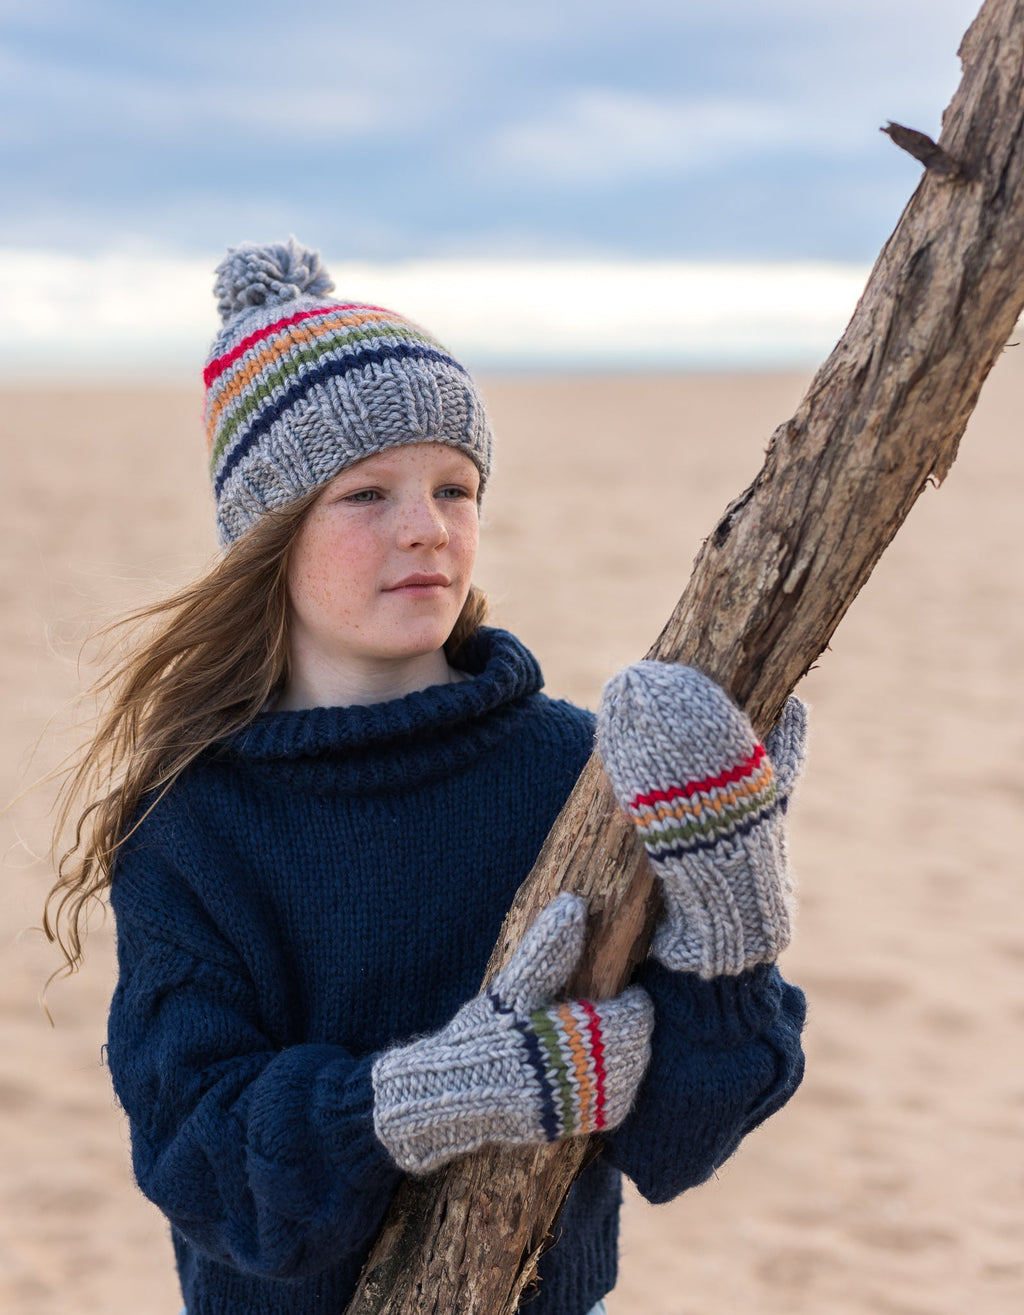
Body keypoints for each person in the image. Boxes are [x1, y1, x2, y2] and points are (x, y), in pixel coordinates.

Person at [45, 238, 808, 1315]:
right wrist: (432, 1095)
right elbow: (201, 1160)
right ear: (268, 534)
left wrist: (732, 925)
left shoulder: (574, 768)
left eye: (455, 486)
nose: (428, 529)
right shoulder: (195, 823)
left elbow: (685, 1138)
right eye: (367, 494)